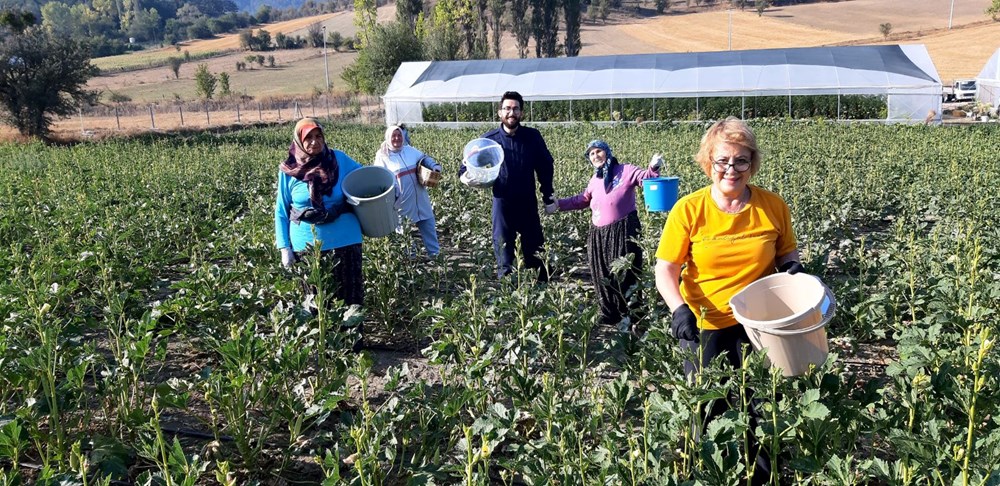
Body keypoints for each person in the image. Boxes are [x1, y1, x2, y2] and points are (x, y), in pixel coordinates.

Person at [653, 117, 803, 484]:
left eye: (741, 160)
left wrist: (794, 268)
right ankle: (715, 476)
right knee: (709, 412)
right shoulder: (689, 210)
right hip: (706, 325)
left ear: (753, 163)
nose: (731, 169)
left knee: (762, 409)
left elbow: (786, 253)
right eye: (722, 161)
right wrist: (679, 310)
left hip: (761, 325)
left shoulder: (772, 206)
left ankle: (761, 478)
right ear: (708, 163)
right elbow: (666, 269)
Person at [548, 139, 662, 331]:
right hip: (599, 234)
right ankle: (609, 313)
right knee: (602, 272)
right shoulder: (595, 180)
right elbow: (582, 200)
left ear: (607, 152)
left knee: (625, 271)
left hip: (623, 229)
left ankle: (631, 313)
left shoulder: (625, 170)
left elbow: (646, 178)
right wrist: (559, 204)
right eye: (591, 154)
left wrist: (653, 167)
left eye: (598, 151)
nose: (595, 156)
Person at [459, 91, 556, 281]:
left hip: (528, 203)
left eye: (515, 109)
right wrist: (466, 176)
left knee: (536, 251)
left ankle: (542, 296)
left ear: (522, 113)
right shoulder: (490, 140)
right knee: (504, 250)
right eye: (507, 109)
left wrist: (548, 196)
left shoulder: (532, 137)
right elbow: (466, 165)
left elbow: (545, 167)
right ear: (499, 112)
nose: (511, 113)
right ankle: (509, 298)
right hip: (502, 203)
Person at [275, 117, 365, 308]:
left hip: (346, 240)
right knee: (315, 304)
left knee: (350, 302)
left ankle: (353, 339)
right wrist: (285, 248)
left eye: (318, 136)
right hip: (306, 246)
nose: (314, 142)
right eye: (308, 137)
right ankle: (321, 340)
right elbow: (282, 211)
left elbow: (366, 178)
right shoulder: (288, 170)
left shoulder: (339, 159)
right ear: (299, 140)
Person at [373, 125, 442, 257]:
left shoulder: (410, 151)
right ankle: (412, 262)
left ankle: (436, 257)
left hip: (420, 198)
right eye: (393, 136)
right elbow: (379, 179)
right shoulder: (383, 157)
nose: (397, 138)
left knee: (428, 226)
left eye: (399, 135)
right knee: (405, 233)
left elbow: (424, 159)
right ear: (388, 137)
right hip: (401, 202)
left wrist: (434, 166)